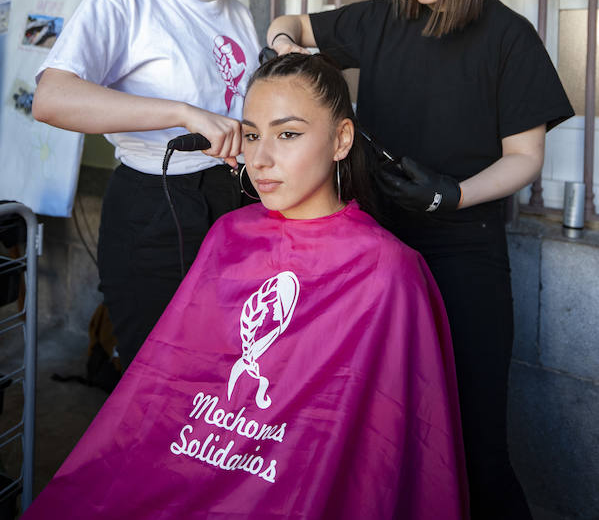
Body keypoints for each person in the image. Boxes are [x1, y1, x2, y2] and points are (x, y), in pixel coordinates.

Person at [23, 54, 469, 520]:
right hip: (195, 458)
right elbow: (171, 377)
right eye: (252, 134)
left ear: (341, 140)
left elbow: (392, 440)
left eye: (288, 134)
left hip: (294, 486)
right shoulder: (230, 233)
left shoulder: (387, 269)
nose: (260, 158)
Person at [265, 0, 574, 520]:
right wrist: (294, 60)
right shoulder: (381, 19)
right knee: (380, 429)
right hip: (376, 256)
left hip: (466, 253)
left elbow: (525, 158)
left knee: (476, 441)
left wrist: (453, 196)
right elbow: (286, 23)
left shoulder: (508, 37)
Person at [32, 0, 270, 369]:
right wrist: (184, 113)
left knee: (227, 364)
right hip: (154, 208)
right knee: (158, 373)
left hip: (230, 201)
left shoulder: (236, 14)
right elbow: (51, 98)